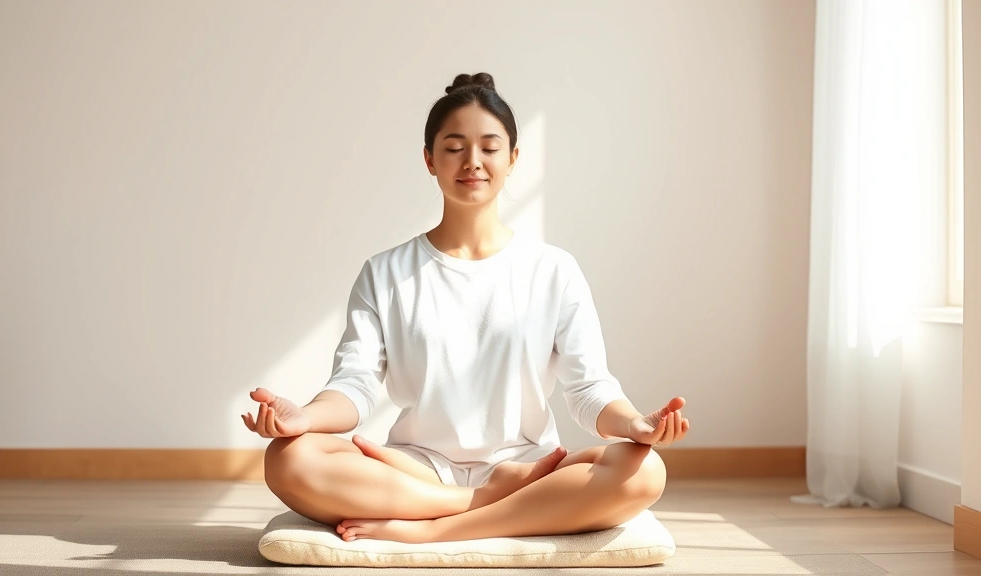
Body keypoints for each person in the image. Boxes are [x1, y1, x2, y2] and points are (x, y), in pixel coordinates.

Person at [242, 72, 690, 544]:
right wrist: (304, 418)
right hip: (416, 471)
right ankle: (480, 505)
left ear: (513, 158)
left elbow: (588, 389)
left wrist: (637, 423)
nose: (472, 161)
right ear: (429, 160)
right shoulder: (385, 272)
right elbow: (353, 387)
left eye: (490, 147)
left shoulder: (553, 269)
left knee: (644, 471)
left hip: (530, 465)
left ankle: (434, 532)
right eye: (454, 147)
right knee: (287, 458)